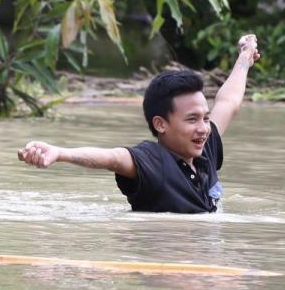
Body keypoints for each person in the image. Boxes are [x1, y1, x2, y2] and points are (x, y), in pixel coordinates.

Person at [17, 34, 261, 213]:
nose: (204, 128)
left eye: (205, 118)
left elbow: (228, 102)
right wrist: (60, 153)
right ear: (161, 124)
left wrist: (245, 57)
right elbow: (113, 158)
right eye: (192, 119)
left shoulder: (204, 149)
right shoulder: (153, 160)